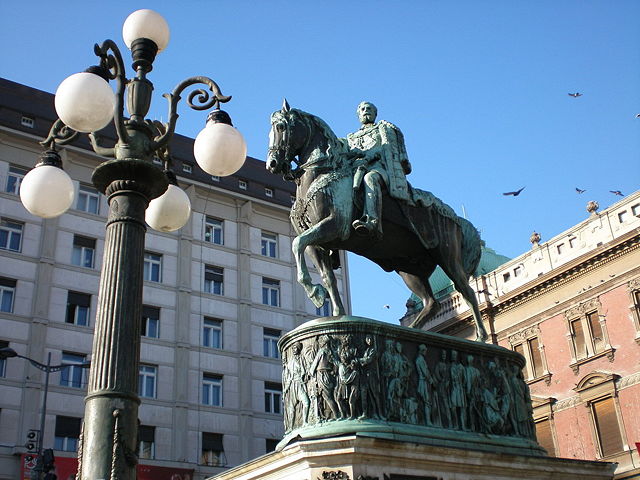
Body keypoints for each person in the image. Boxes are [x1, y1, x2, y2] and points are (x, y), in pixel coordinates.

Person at [346, 101, 413, 238]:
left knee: (369, 178)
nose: (366, 110)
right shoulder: (351, 137)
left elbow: (385, 147)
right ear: (358, 114)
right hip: (356, 168)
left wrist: (370, 156)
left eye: (369, 109)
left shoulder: (382, 129)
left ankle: (372, 221)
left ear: (375, 114)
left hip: (379, 169)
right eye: (363, 109)